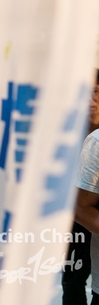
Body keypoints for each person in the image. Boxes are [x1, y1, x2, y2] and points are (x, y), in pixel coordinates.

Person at [62, 71, 98, 305]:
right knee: (72, 280)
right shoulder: (65, 133)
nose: (90, 99)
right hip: (73, 220)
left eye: (95, 91)